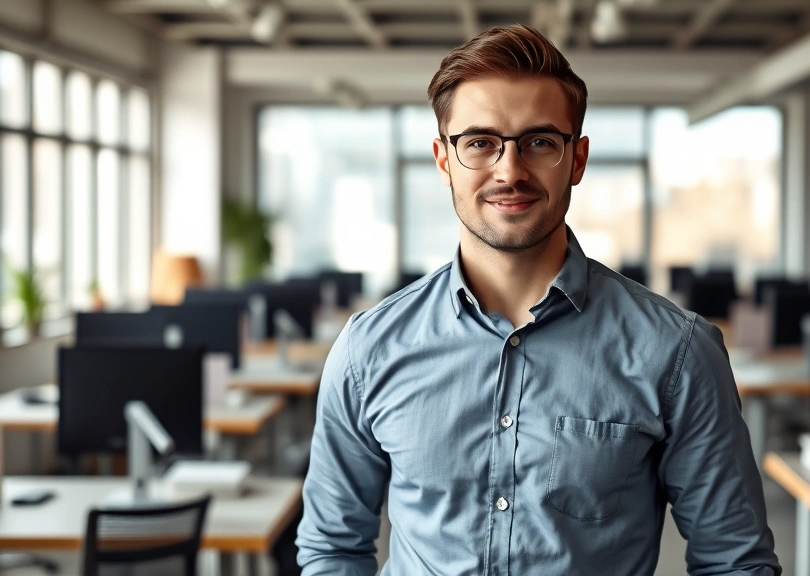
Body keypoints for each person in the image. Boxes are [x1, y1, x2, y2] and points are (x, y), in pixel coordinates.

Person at [297, 24, 781, 576]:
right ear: (442, 159)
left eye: (540, 142)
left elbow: (735, 562)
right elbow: (332, 550)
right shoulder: (368, 351)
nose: (510, 170)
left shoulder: (677, 353)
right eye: (480, 142)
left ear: (576, 159)